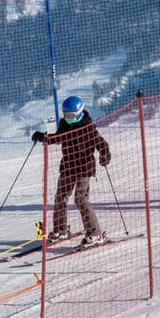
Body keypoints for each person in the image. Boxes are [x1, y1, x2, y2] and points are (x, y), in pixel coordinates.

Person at [32, 95, 112, 247]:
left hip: (84, 167)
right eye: (65, 115)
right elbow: (59, 137)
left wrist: (105, 155)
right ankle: (60, 230)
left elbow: (101, 143)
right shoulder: (64, 124)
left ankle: (95, 233)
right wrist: (43, 137)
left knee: (80, 199)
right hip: (68, 165)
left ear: (79, 113)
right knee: (60, 197)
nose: (68, 119)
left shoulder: (87, 127)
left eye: (71, 116)